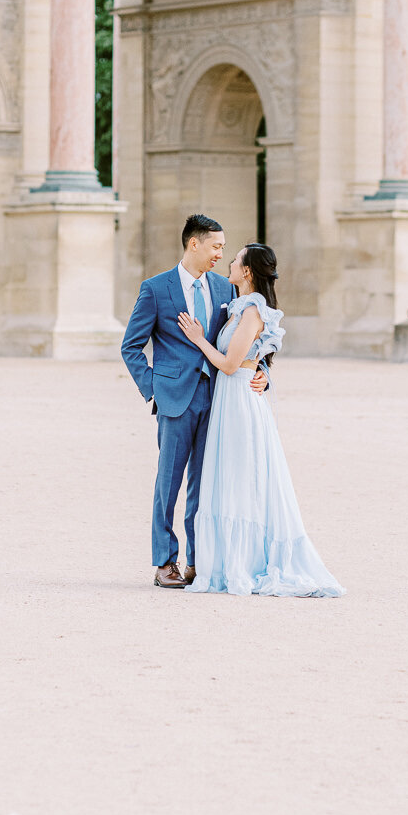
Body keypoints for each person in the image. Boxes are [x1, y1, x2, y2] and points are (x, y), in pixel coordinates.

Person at [177, 242, 345, 598]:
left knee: (242, 477)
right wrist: (262, 371)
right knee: (231, 477)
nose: (230, 263)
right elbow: (253, 357)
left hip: (238, 400)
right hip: (230, 397)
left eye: (236, 260)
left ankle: (245, 562)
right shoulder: (240, 307)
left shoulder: (253, 310)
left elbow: (230, 363)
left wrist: (197, 339)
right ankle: (225, 561)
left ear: (247, 271)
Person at [121, 214, 268, 589]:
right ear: (194, 244)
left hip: (219, 399)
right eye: (216, 246)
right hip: (174, 399)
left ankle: (199, 560)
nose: (221, 253)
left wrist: (262, 369)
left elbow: (243, 338)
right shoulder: (155, 288)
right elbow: (131, 346)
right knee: (168, 483)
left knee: (206, 483)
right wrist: (154, 386)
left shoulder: (225, 289)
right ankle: (164, 562)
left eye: (223, 248)